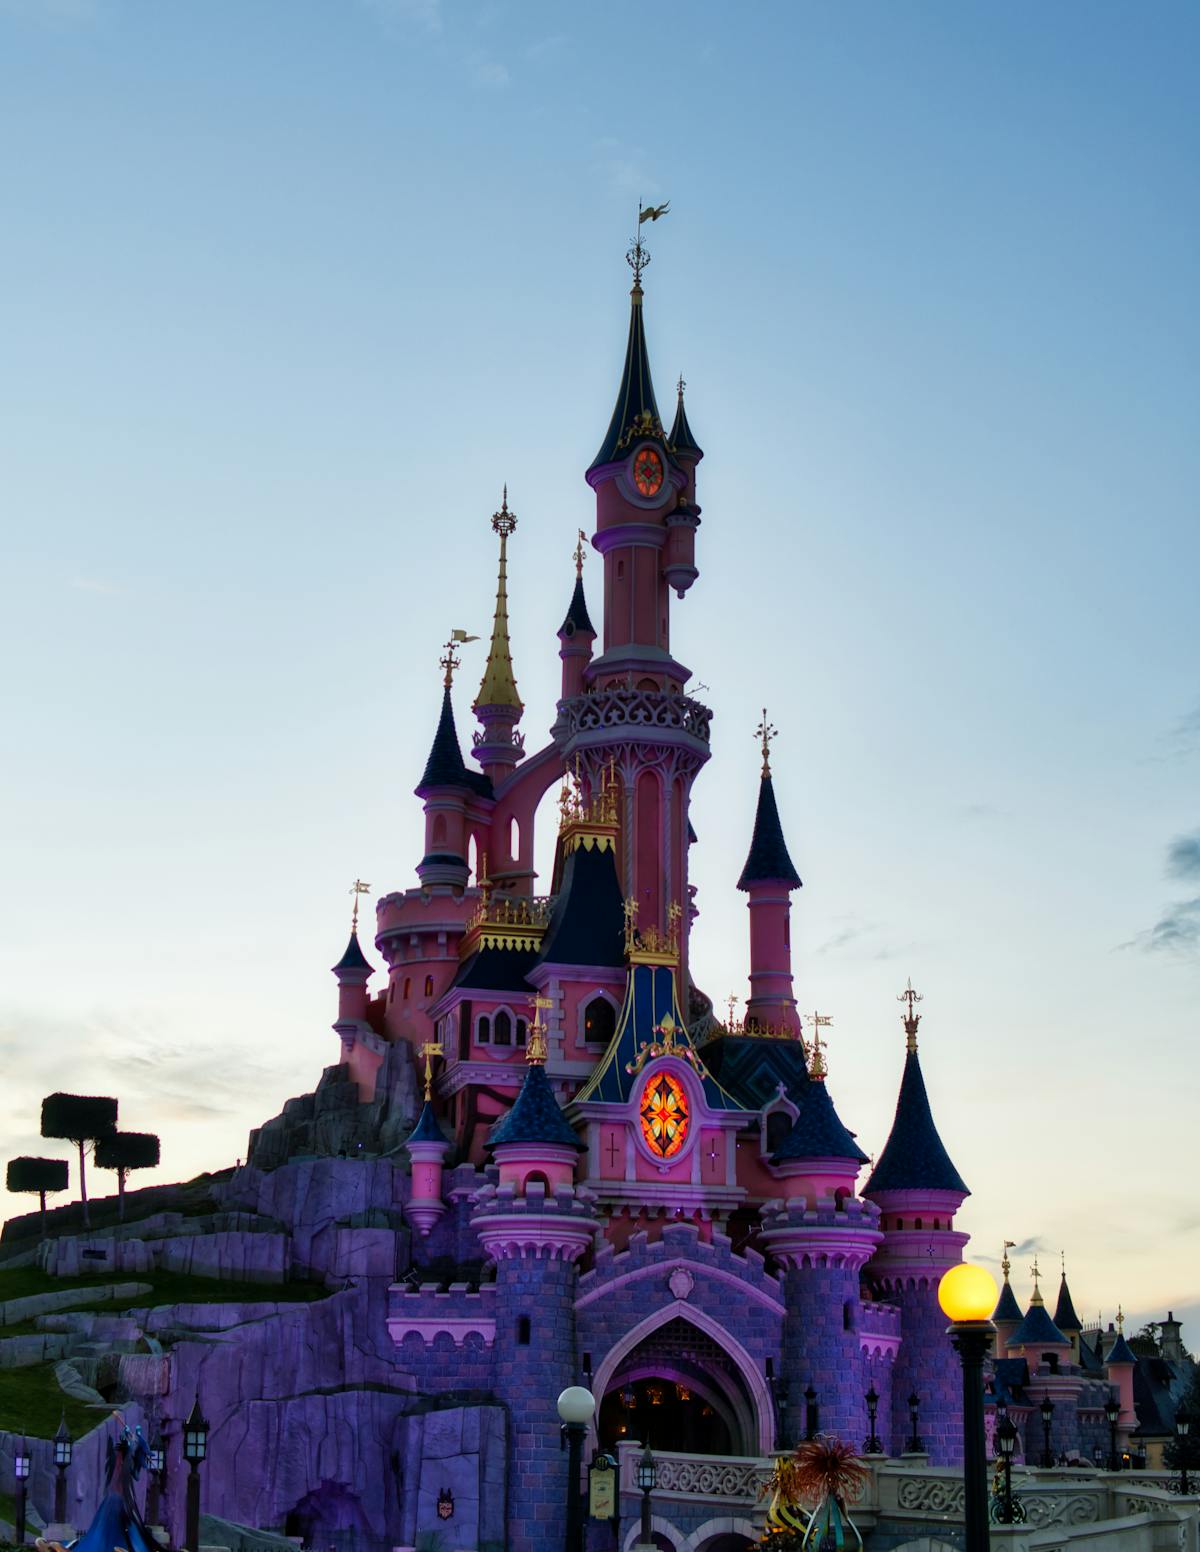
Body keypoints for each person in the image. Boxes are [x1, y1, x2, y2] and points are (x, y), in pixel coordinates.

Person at [38, 1414, 155, 1552]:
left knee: (120, 1525)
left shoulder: (131, 1455)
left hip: (120, 1501)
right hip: (115, 1498)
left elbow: (133, 1460)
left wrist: (132, 1441)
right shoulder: (123, 1457)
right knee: (105, 1526)